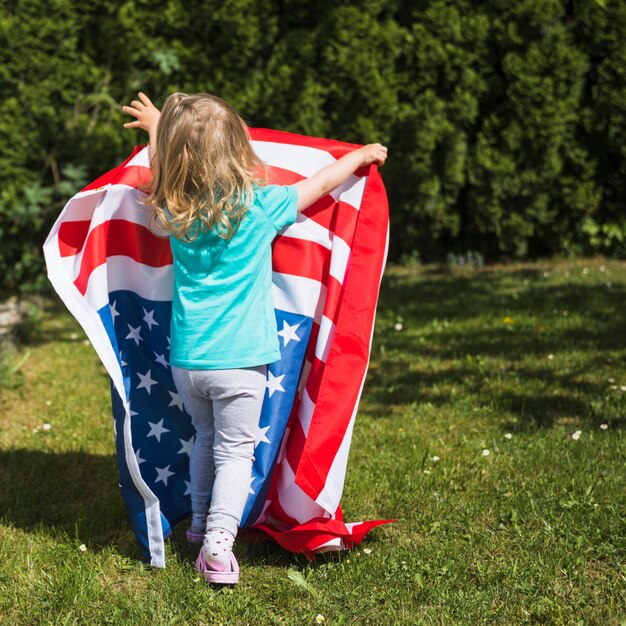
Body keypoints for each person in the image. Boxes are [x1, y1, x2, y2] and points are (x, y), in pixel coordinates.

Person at [122, 92, 387, 584]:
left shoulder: (173, 212)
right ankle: (220, 546)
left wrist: (158, 131)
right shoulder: (259, 207)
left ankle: (200, 526)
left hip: (189, 360)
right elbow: (321, 182)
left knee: (205, 439)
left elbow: (163, 176)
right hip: (240, 361)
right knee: (235, 452)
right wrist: (358, 156)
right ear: (239, 150)